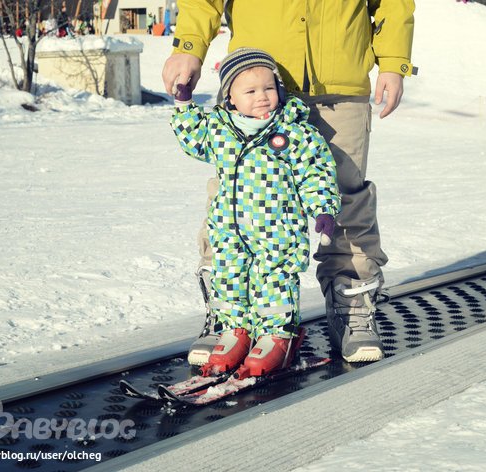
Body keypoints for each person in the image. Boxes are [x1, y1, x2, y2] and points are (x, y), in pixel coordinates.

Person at [162, 1, 416, 366]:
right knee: (235, 196)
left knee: (345, 198)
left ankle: (351, 304)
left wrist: (393, 59)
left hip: (339, 82)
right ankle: (228, 314)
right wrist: (189, 44)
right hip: (253, 78)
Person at [170, 48, 340, 375]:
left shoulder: (294, 132)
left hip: (277, 228)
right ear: (230, 98)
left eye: (269, 88)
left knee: (275, 279)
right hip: (228, 229)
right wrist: (184, 103)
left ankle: (277, 336)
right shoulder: (219, 129)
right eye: (250, 91)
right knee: (228, 278)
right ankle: (235, 332)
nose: (262, 96)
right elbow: (192, 138)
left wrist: (323, 208)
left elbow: (316, 171)